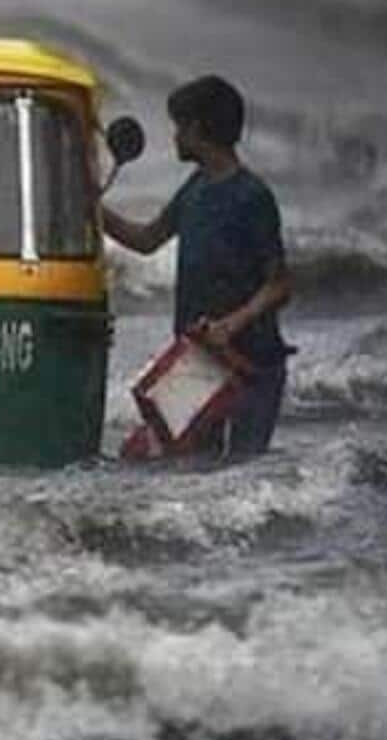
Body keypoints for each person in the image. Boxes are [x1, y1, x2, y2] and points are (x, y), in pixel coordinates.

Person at [102, 76, 293, 458]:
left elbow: (280, 285)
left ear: (197, 129)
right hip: (199, 357)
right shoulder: (197, 185)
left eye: (179, 127)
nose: (174, 137)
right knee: (173, 465)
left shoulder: (251, 195)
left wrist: (230, 325)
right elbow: (147, 240)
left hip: (251, 365)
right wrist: (93, 211)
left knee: (243, 474)